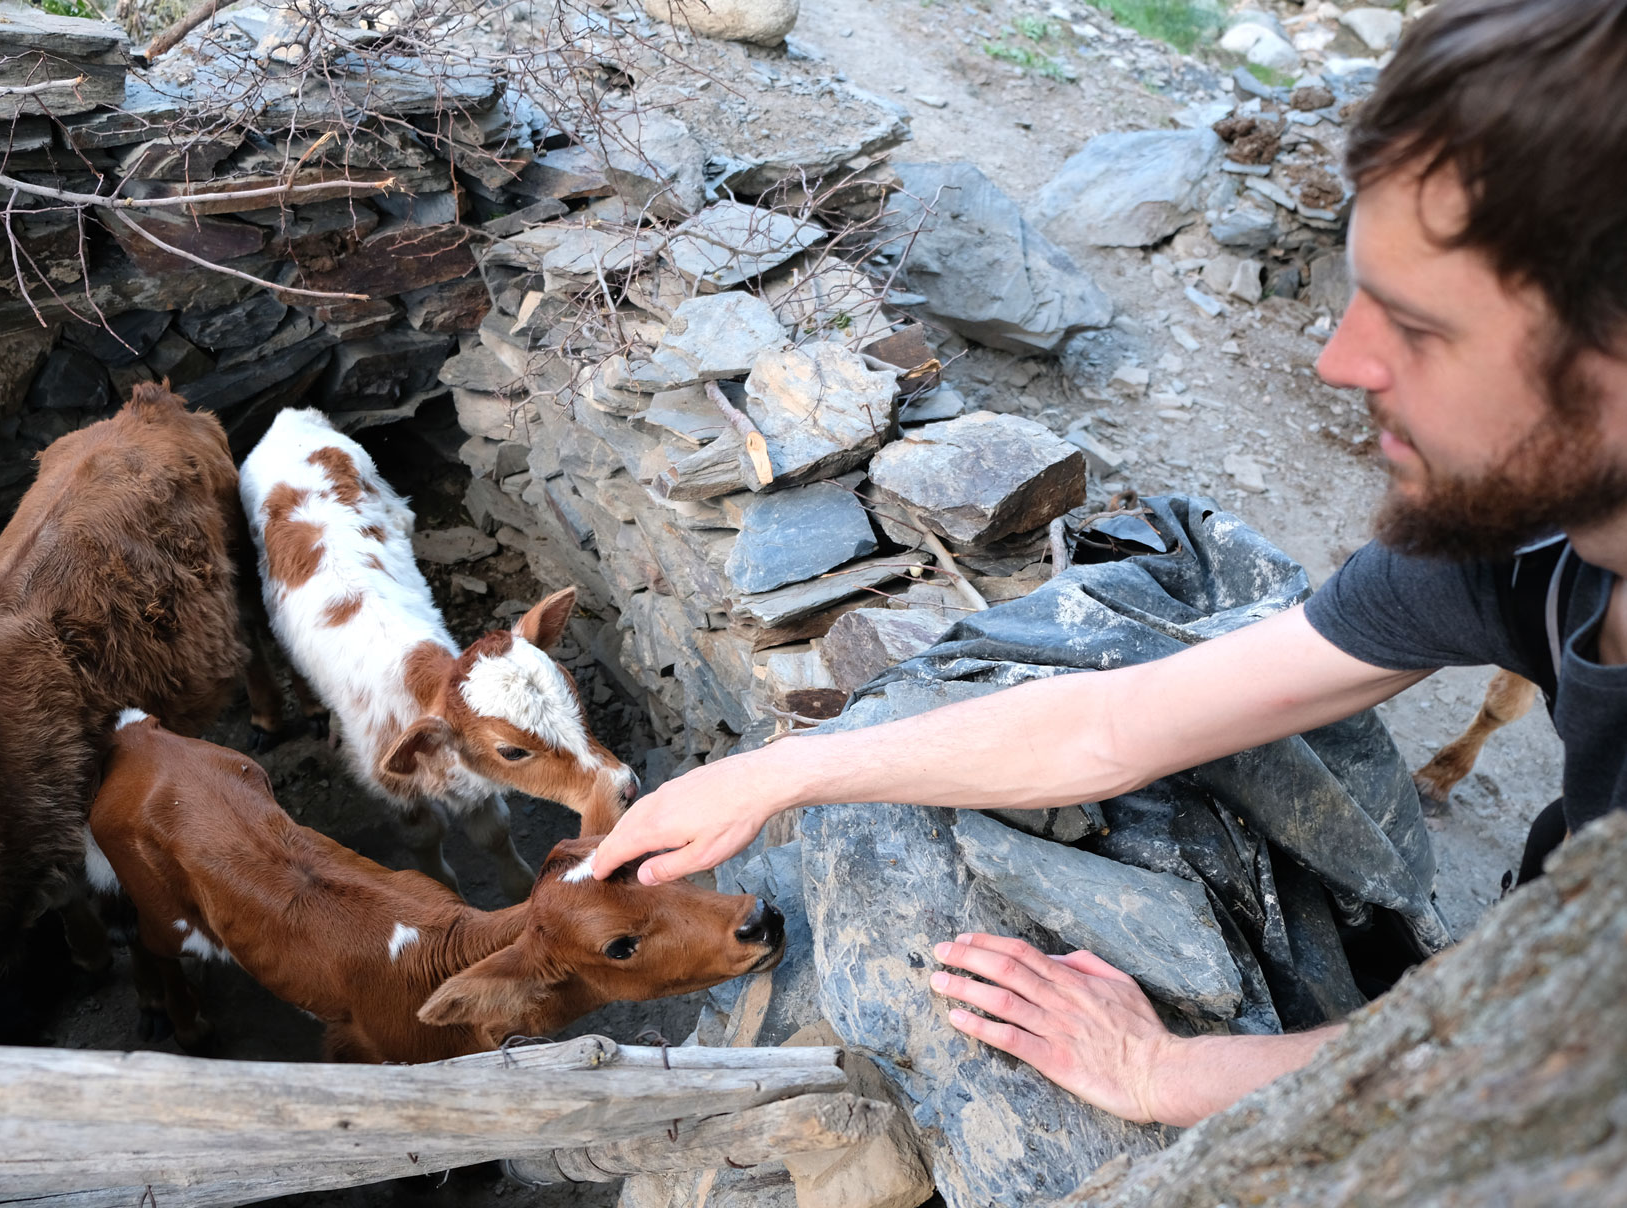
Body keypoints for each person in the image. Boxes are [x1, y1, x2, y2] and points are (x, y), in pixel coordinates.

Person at [589, 0, 1627, 1129]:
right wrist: (780, 772)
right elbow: (1117, 724)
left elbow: (1548, 1061)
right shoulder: (1512, 548)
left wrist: (1162, 1073)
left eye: (1419, 329)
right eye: (1355, 292)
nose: (1340, 360)